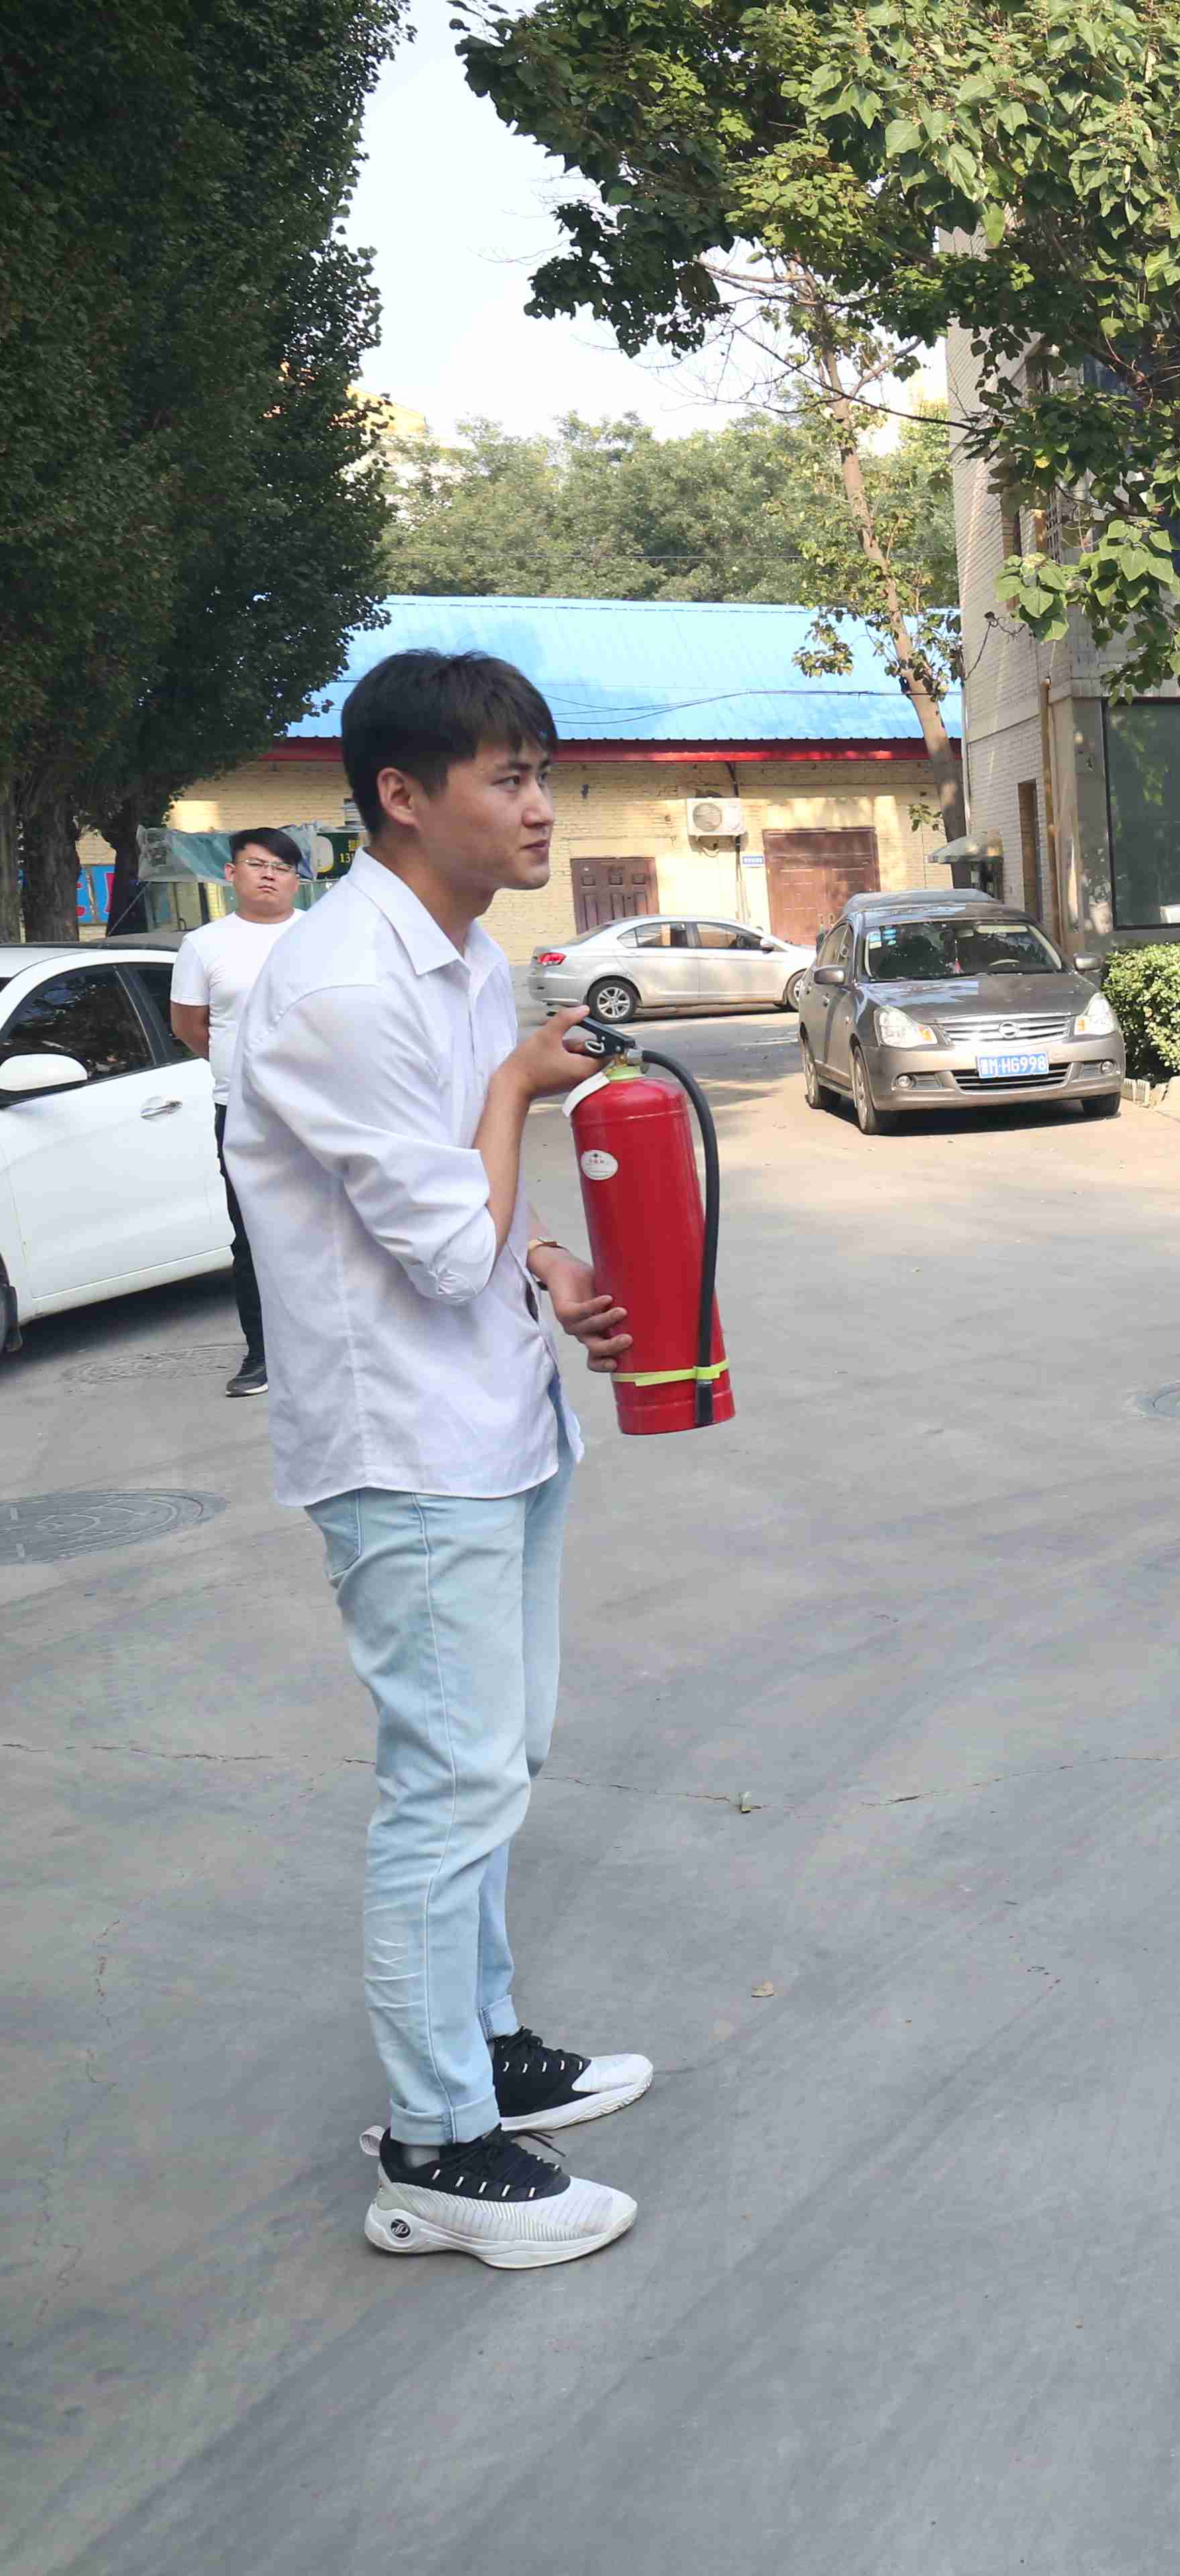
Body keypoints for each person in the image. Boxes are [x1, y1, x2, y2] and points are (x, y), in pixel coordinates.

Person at [228, 649, 652, 2267]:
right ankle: (432, 2145)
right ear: (401, 795)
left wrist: (548, 1265)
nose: (541, 808)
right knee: (447, 1784)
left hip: (496, 1418)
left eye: (544, 774)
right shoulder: (342, 987)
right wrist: (521, 1094)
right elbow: (433, 1239)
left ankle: (482, 2046)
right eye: (508, 777)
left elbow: (469, 1218)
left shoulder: (465, 957)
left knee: (499, 1759)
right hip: (405, 1446)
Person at [168, 826, 304, 1399]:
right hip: (243, 1112)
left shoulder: (321, 935)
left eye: (282, 867)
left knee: (337, 1228)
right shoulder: (204, 945)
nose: (270, 875)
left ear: (296, 879)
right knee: (252, 1238)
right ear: (231, 874)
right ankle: (263, 1355)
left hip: (321, 1109)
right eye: (257, 864)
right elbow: (188, 1025)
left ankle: (341, 1346)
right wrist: (242, 1070)